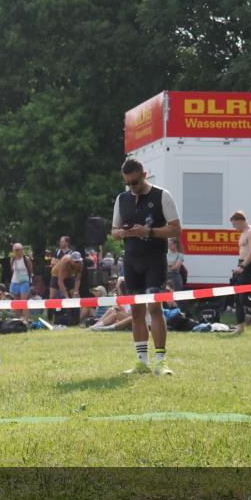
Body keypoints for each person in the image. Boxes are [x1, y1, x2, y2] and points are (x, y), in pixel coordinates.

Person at [111, 158, 181, 375]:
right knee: (137, 310)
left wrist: (148, 232)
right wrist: (121, 233)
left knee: (154, 308)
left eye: (135, 182)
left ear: (144, 175)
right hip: (131, 260)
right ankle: (142, 361)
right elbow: (113, 231)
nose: (132, 187)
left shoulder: (162, 195)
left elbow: (176, 229)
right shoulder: (121, 199)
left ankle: (161, 360)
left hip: (154, 260)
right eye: (127, 183)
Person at [226, 211, 251, 336]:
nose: (234, 227)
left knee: (242, 298)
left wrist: (242, 266)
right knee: (238, 299)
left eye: (235, 224)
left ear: (241, 220)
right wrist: (239, 266)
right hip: (242, 265)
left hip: (249, 267)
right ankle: (240, 327)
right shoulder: (243, 233)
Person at [9, 243, 33, 322]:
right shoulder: (12, 259)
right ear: (13, 251)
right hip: (15, 281)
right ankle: (18, 320)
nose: (18, 251)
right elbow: (13, 271)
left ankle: (26, 320)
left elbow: (30, 270)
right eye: (16, 250)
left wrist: (30, 282)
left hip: (24, 281)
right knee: (16, 303)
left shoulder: (26, 259)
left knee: (23, 302)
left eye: (20, 249)